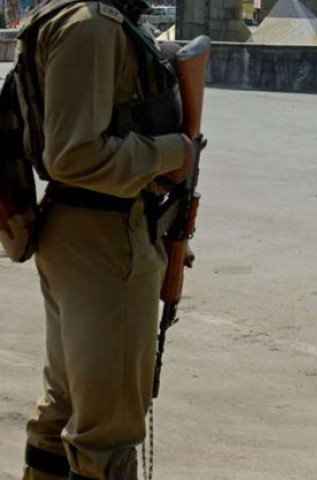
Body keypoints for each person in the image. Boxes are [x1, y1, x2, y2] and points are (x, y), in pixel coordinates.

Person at [19, 0, 196, 478]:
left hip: (88, 234)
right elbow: (73, 155)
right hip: (104, 243)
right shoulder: (92, 24)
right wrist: (172, 151)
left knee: (65, 409)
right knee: (108, 434)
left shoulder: (89, 16)